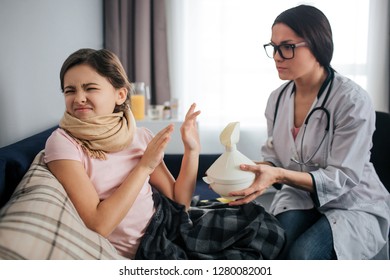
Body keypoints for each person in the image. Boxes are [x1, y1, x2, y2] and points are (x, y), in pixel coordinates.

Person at [44, 48, 285, 260]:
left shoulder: (137, 136)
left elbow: (179, 202)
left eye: (90, 88)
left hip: (168, 219)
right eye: (69, 90)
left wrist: (192, 149)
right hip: (149, 246)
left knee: (263, 224)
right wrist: (143, 168)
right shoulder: (63, 143)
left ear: (120, 94)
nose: (79, 98)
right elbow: (99, 225)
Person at [229, 5, 390, 260]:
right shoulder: (278, 99)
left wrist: (277, 174)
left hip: (352, 202)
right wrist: (249, 171)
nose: (277, 57)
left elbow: (343, 177)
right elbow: (275, 157)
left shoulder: (352, 100)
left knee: (303, 255)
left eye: (288, 46)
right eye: (273, 47)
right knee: (272, 247)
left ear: (317, 45)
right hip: (300, 196)